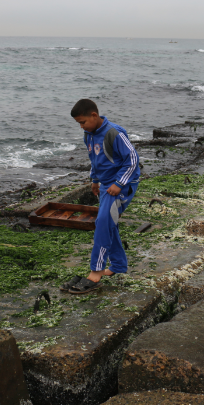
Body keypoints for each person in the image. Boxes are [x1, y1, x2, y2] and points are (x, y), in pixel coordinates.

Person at [64, 99, 140, 295]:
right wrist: (95, 180)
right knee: (109, 222)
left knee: (103, 222)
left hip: (122, 185)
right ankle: (118, 266)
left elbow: (132, 160)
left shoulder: (113, 133)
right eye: (78, 124)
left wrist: (119, 184)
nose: (81, 126)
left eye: (82, 122)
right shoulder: (89, 135)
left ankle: (96, 271)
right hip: (106, 184)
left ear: (94, 116)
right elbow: (95, 160)